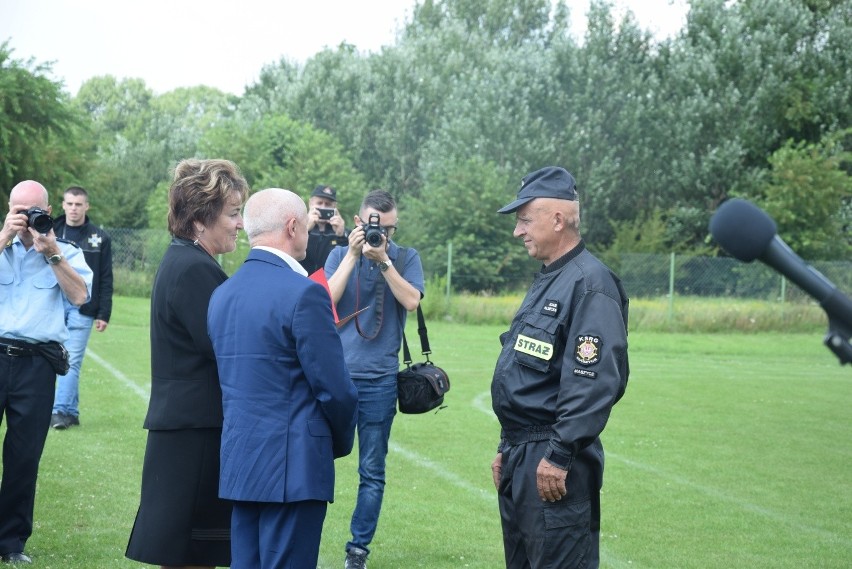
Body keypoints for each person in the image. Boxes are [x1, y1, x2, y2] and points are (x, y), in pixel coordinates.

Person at [207, 188, 359, 569]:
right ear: (293, 227)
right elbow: (336, 390)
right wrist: (334, 443)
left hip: (242, 461)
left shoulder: (222, 294)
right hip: (294, 466)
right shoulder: (305, 294)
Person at [489, 166, 629, 569]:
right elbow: (527, 374)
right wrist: (507, 445)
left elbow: (594, 381)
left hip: (553, 459)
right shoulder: (552, 279)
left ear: (558, 218)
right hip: (524, 452)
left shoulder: (590, 284)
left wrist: (560, 453)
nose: (518, 231)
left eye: (524, 220)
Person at [126, 158, 249, 569]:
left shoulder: (188, 261)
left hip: (187, 429)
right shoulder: (195, 269)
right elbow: (225, 349)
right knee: (190, 557)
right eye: (233, 214)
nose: (240, 224)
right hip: (193, 433)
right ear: (200, 219)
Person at [325, 189, 424, 569]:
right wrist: (352, 254)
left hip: (380, 380)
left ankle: (357, 551)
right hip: (336, 377)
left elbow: (412, 301)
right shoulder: (337, 254)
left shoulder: (404, 256)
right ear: (358, 222)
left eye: (389, 228)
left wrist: (384, 261)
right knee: (316, 460)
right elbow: (326, 299)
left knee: (372, 471)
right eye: (373, 227)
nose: (381, 233)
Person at [0, 180, 92, 564]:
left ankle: (9, 543)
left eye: (32, 211)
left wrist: (52, 252)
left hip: (37, 363)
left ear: (48, 210)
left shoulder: (66, 251)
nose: (25, 218)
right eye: (18, 210)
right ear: (8, 208)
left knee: (24, 456)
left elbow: (80, 296)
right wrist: (4, 236)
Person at [50, 186, 114, 430]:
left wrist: (103, 312)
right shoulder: (50, 230)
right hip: (54, 303)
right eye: (69, 203)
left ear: (87, 206)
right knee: (55, 357)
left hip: (84, 307)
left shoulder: (99, 238)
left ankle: (60, 411)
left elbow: (106, 278)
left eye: (78, 204)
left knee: (72, 360)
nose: (74, 208)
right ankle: (71, 411)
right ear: (63, 205)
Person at [299, 184, 348, 275]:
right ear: (310, 203)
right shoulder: (297, 228)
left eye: (328, 204)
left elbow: (347, 260)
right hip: (303, 281)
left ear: (335, 206)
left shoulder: (343, 232)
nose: (323, 207)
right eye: (319, 203)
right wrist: (305, 230)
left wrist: (341, 236)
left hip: (330, 284)